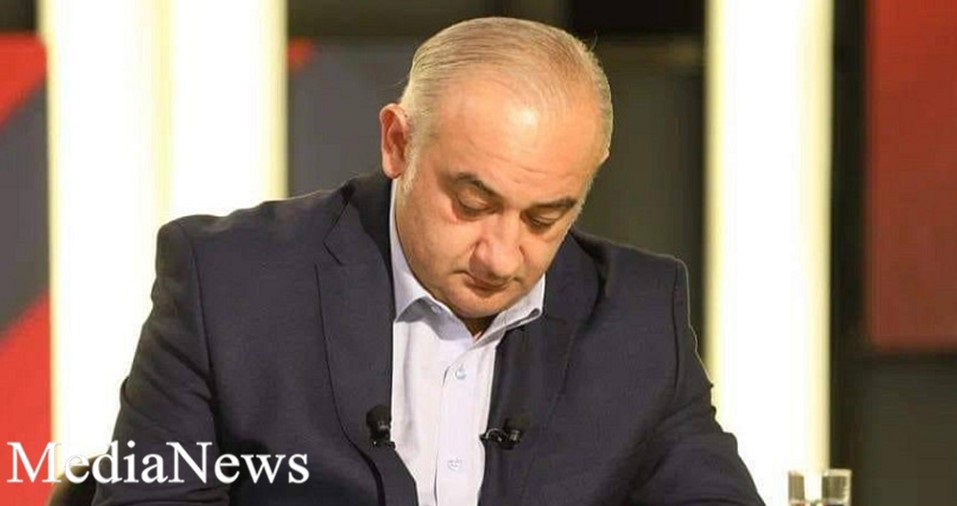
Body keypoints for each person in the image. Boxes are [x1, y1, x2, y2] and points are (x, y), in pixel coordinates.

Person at [94, 16, 763, 506]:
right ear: (397, 143)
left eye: (544, 218)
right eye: (472, 203)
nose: (501, 256)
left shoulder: (638, 316)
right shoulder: (228, 284)